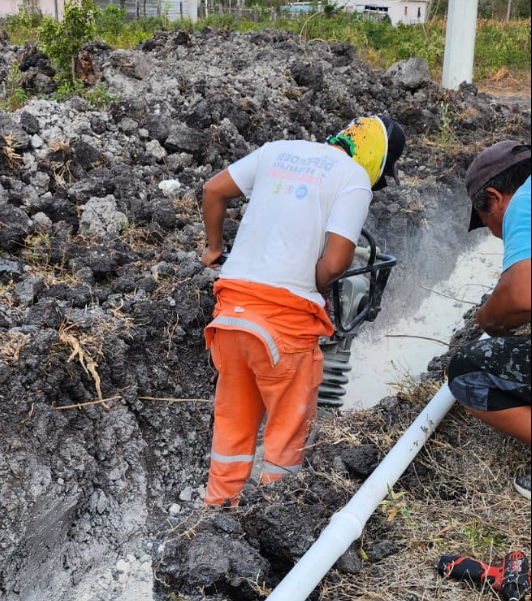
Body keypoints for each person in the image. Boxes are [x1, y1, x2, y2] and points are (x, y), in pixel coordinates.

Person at [201, 116, 406, 506]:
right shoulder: (353, 178)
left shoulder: (277, 150)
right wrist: (313, 287)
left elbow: (213, 190)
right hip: (284, 328)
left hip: (230, 314)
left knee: (233, 419)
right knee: (286, 429)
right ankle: (277, 511)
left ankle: (217, 507)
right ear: (376, 158)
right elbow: (335, 262)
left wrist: (213, 248)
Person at [448, 141, 532, 500]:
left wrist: (490, 319)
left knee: (467, 371)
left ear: (496, 198)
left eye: (487, 223)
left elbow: (521, 295)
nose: (495, 233)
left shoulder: (524, 203)